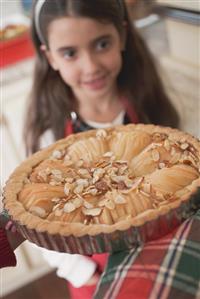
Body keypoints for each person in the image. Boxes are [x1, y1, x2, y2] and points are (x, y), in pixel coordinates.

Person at [23, 0, 179, 298]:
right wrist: (83, 272)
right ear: (50, 57)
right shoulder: (47, 137)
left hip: (163, 255)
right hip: (95, 276)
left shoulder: (155, 102)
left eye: (102, 44)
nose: (91, 67)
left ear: (121, 36)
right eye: (70, 53)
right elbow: (35, 223)